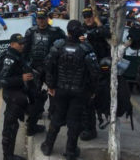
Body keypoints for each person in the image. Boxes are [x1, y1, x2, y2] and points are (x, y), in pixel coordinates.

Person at [40, 20, 100, 160]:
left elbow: (48, 65)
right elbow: (95, 72)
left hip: (60, 89)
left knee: (56, 118)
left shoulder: (58, 46)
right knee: (75, 121)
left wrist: (51, 85)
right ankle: (70, 151)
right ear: (80, 32)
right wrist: (92, 90)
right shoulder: (86, 49)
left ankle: (48, 146)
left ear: (68, 31)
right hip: (79, 91)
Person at [0, 33, 36, 160]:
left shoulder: (18, 55)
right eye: (20, 44)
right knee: (10, 127)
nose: (22, 45)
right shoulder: (9, 58)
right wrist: (21, 78)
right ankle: (8, 156)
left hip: (18, 93)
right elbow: (3, 80)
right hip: (12, 95)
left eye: (23, 43)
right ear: (12, 44)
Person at [23, 10, 66, 121]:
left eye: (43, 18)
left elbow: (65, 43)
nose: (41, 21)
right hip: (34, 66)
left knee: (53, 90)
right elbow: (25, 49)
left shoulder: (56, 32)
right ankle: (37, 111)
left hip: (50, 67)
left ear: (47, 18)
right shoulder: (30, 32)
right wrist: (25, 65)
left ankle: (53, 112)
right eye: (39, 18)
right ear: (36, 19)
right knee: (34, 91)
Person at [80, 7, 111, 141]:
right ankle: (89, 128)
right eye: (85, 16)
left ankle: (101, 119)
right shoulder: (82, 28)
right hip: (86, 68)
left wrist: (97, 24)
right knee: (87, 100)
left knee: (101, 97)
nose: (88, 18)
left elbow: (107, 33)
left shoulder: (103, 24)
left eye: (90, 16)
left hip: (102, 67)